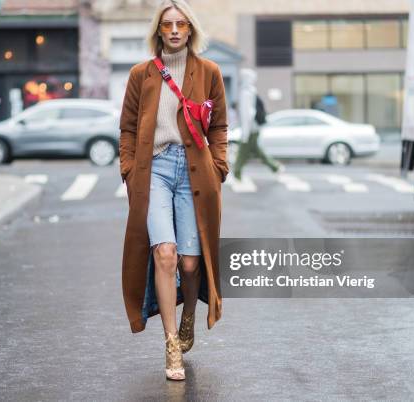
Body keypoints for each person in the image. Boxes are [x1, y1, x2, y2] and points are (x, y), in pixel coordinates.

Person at [118, 0, 228, 381]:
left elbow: (219, 128)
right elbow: (128, 129)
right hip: (156, 172)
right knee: (164, 253)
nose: (176, 30)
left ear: (191, 30)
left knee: (190, 262)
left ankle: (189, 318)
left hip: (196, 171)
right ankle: (170, 342)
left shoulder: (209, 72)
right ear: (159, 31)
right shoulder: (141, 74)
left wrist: (219, 167)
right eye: (168, 25)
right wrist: (130, 172)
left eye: (182, 24)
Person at [233, 69, 284, 180]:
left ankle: (236, 172)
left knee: (243, 151)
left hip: (250, 128)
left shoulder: (246, 92)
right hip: (254, 127)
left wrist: (245, 131)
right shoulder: (251, 91)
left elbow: (247, 113)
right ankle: (274, 167)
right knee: (255, 150)